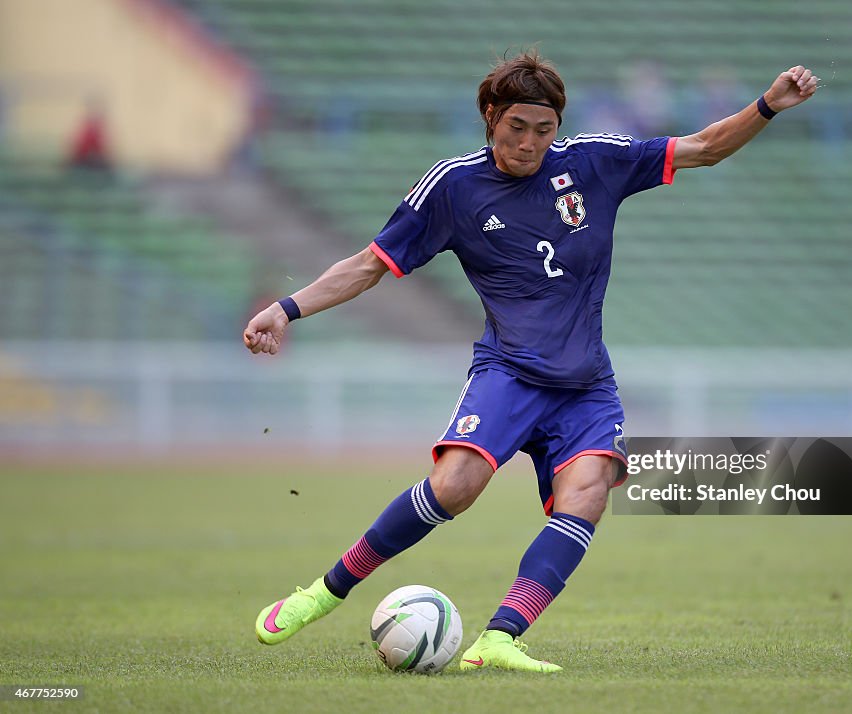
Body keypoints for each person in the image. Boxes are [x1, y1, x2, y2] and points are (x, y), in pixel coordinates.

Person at [244, 51, 817, 673]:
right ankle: (323, 592)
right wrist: (287, 308)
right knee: (455, 486)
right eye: (517, 127)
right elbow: (368, 265)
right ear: (491, 117)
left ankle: (501, 638)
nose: (529, 143)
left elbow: (705, 146)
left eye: (543, 131)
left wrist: (766, 106)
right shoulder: (454, 187)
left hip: (585, 383)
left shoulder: (594, 162)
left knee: (590, 491)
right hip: (509, 371)